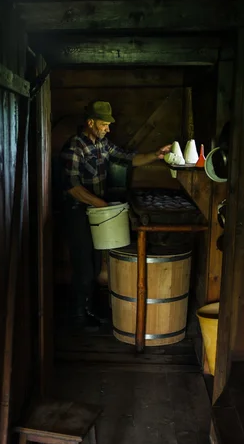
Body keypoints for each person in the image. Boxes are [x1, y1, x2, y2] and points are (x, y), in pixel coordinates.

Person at [60, 100, 171, 331]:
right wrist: (102, 204)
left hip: (96, 213)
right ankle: (77, 318)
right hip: (77, 213)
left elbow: (129, 158)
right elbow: (72, 187)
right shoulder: (74, 148)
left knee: (93, 262)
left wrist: (156, 155)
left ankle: (87, 311)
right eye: (104, 124)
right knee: (84, 268)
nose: (108, 129)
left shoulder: (102, 145)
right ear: (90, 122)